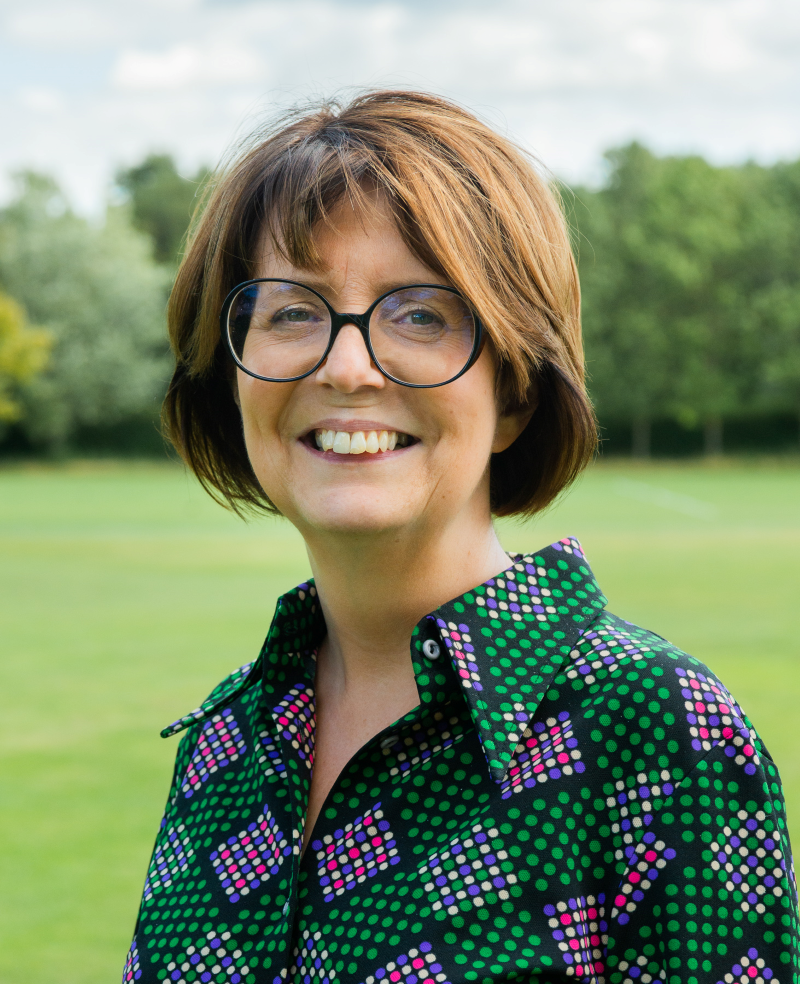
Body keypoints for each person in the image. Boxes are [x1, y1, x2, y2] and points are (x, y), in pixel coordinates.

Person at [123, 91, 798, 984]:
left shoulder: (659, 735)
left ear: (516, 391)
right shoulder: (225, 745)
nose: (347, 365)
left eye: (420, 313)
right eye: (291, 310)